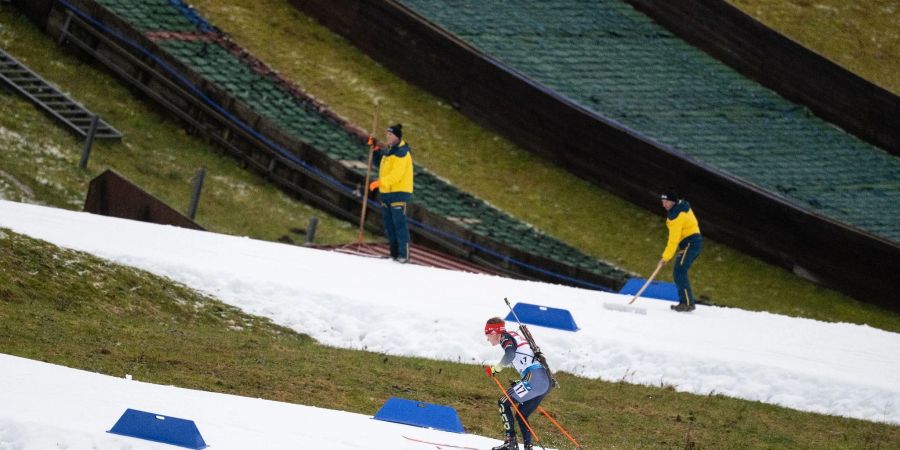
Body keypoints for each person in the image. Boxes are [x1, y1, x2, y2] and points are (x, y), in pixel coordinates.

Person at [484, 317, 550, 450]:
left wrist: (496, 369)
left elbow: (510, 355)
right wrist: (521, 382)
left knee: (503, 402)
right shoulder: (514, 335)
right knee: (522, 414)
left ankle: (510, 442)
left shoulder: (505, 337)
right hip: (544, 382)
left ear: (494, 333)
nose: (487, 339)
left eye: (487, 335)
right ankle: (528, 446)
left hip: (534, 378)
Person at [368, 124, 414, 263]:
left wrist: (379, 183)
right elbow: (380, 164)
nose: (388, 137)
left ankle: (403, 255)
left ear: (397, 137)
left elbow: (396, 175)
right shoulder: (390, 151)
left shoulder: (402, 153)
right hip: (387, 194)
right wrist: (375, 149)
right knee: (389, 225)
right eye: (387, 134)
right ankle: (394, 254)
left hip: (399, 193)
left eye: (391, 135)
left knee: (399, 224)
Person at [659, 190, 703, 312]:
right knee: (679, 271)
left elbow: (673, 239)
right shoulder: (681, 206)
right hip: (691, 243)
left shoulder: (676, 216)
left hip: (691, 244)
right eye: (662, 202)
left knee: (679, 271)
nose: (664, 205)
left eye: (666, 202)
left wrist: (666, 257)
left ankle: (687, 303)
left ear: (673, 201)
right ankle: (686, 302)